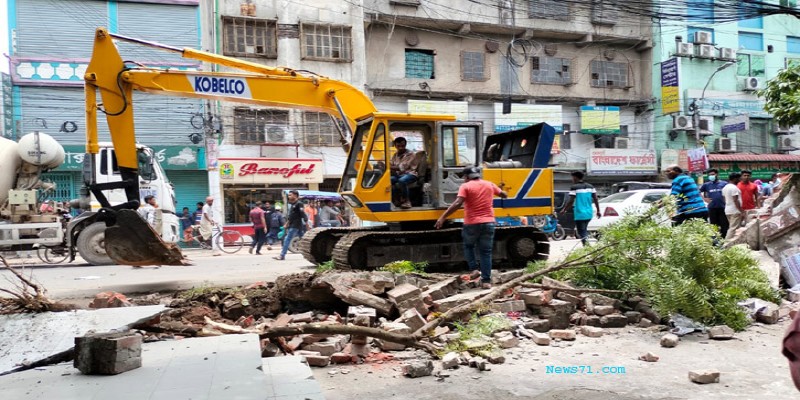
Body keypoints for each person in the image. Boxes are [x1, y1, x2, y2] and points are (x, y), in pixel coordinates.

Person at [434, 166, 507, 289]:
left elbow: (457, 203)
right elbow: (503, 195)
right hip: (488, 222)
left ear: (466, 177)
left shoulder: (466, 186)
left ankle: (474, 269)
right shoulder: (489, 184)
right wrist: (502, 191)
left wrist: (443, 217)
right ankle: (486, 282)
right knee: (486, 253)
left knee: (469, 246)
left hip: (472, 223)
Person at [560, 171, 601, 246]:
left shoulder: (574, 187)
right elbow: (595, 199)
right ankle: (592, 240)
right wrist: (598, 211)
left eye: (572, 177)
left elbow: (571, 201)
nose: (572, 179)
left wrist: (564, 209)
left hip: (579, 213)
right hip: (589, 213)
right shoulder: (591, 187)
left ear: (575, 177)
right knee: (584, 230)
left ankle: (587, 246)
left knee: (581, 231)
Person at [274, 190, 306, 261]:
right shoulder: (293, 204)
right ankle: (309, 253)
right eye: (289, 195)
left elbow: (303, 214)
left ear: (295, 196)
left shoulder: (299, 204)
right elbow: (291, 216)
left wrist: (306, 223)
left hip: (296, 225)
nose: (289, 196)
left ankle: (282, 255)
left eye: (290, 195)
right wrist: (287, 223)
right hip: (295, 225)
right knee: (304, 240)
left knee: (287, 239)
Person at [390, 137, 420, 209]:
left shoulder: (411, 154)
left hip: (411, 174)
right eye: (398, 146)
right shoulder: (395, 155)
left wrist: (388, 166)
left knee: (402, 181)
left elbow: (402, 167)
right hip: (399, 175)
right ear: (395, 146)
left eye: (402, 146)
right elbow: (391, 164)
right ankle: (396, 200)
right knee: (388, 180)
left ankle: (407, 201)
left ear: (405, 145)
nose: (400, 148)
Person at [700, 168, 729, 238]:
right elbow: (698, 192)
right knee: (713, 225)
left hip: (723, 207)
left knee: (724, 225)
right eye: (710, 175)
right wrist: (704, 199)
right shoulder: (706, 185)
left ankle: (724, 239)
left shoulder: (724, 183)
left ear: (717, 174)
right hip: (712, 208)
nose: (711, 176)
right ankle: (715, 240)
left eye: (713, 174)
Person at [722, 172, 746, 240]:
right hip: (735, 211)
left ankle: (733, 244)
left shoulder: (725, 187)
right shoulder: (734, 188)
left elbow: (724, 199)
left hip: (728, 210)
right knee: (733, 228)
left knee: (733, 227)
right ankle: (726, 244)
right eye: (739, 178)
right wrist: (741, 211)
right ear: (735, 179)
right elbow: (735, 200)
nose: (740, 180)